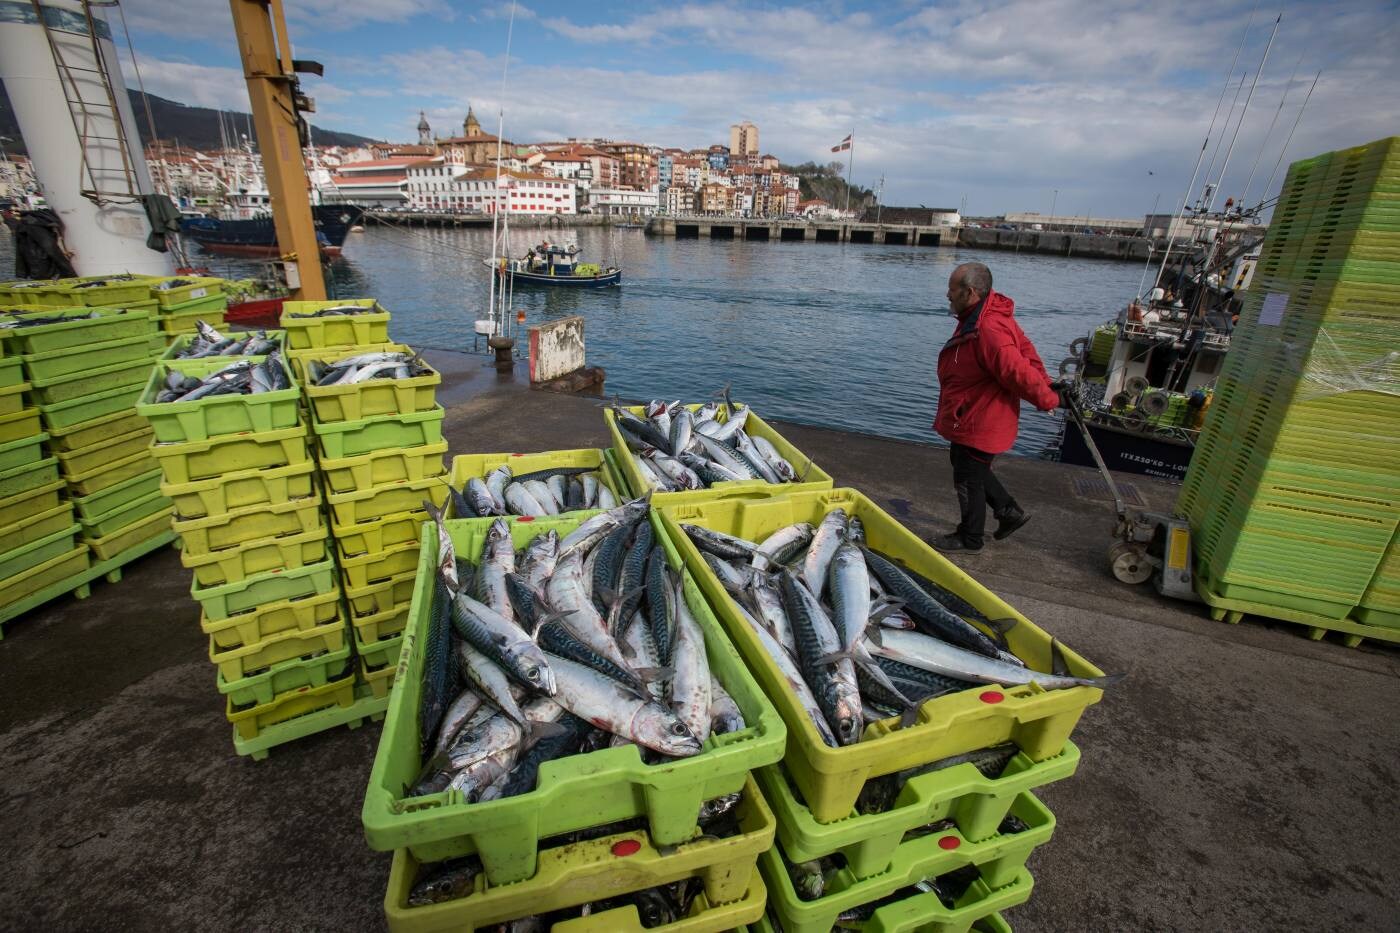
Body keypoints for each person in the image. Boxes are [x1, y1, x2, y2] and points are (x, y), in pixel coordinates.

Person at [933, 262, 1071, 552]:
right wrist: (1046, 382)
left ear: (970, 292)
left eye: (952, 289)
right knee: (968, 464)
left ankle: (970, 538)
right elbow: (1026, 351)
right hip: (974, 412)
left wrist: (1049, 398)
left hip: (980, 417)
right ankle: (1008, 512)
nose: (947, 295)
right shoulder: (985, 314)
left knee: (968, 476)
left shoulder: (987, 328)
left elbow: (1016, 370)